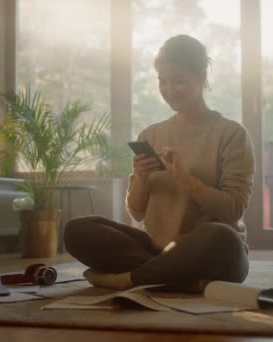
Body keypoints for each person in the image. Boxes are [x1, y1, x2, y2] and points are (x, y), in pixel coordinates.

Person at [64, 34, 255, 293]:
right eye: (162, 81)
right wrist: (142, 178)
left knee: (222, 238)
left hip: (211, 250)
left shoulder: (232, 134)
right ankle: (172, 275)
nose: (168, 90)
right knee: (78, 230)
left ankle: (131, 279)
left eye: (178, 81)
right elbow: (137, 212)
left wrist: (186, 180)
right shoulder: (151, 136)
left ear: (201, 78)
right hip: (156, 248)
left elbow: (232, 210)